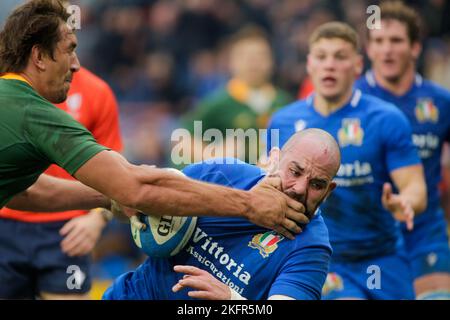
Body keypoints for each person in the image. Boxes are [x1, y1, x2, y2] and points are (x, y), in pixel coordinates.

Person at [0, 0, 307, 274]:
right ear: (39, 56)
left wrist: (108, 198)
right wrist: (250, 204)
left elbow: (27, 191)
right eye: (69, 49)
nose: (77, 64)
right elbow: (136, 188)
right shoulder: (32, 112)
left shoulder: (10, 100)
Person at [267, 22, 427, 300]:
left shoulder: (386, 119)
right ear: (309, 64)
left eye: (340, 57)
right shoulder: (283, 121)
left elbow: (416, 189)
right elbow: (267, 180)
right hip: (318, 255)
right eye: (321, 56)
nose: (330, 65)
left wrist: (404, 203)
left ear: (357, 65)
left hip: (382, 256)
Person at [103, 129, 339, 300]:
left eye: (316, 185)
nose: (299, 189)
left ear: (328, 191)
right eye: (294, 171)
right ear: (273, 159)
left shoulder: (312, 248)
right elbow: (129, 205)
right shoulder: (222, 173)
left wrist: (231, 300)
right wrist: (133, 209)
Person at [0, 65, 123, 299]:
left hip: (67, 230)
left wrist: (97, 219)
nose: (73, 61)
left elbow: (115, 174)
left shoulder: (97, 91)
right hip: (6, 223)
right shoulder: (8, 86)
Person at [355, 1, 450, 299]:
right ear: (368, 50)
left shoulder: (440, 101)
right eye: (379, 42)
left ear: (415, 48)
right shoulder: (351, 100)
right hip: (367, 235)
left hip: (425, 231)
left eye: (396, 41)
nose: (387, 50)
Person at [181, 25, 292, 165]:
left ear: (272, 61)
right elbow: (184, 138)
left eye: (260, 55)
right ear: (232, 62)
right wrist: (212, 155)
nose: (253, 62)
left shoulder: (284, 102)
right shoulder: (218, 102)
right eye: (245, 56)